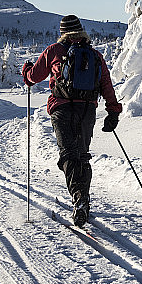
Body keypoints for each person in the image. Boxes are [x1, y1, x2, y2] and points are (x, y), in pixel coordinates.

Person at [22, 15, 122, 227]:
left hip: (62, 109)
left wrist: (26, 71)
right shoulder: (95, 55)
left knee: (68, 154)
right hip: (87, 110)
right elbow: (106, 86)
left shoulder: (55, 51)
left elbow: (33, 78)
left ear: (63, 32)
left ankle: (79, 199)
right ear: (80, 31)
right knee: (82, 155)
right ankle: (82, 199)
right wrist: (113, 111)